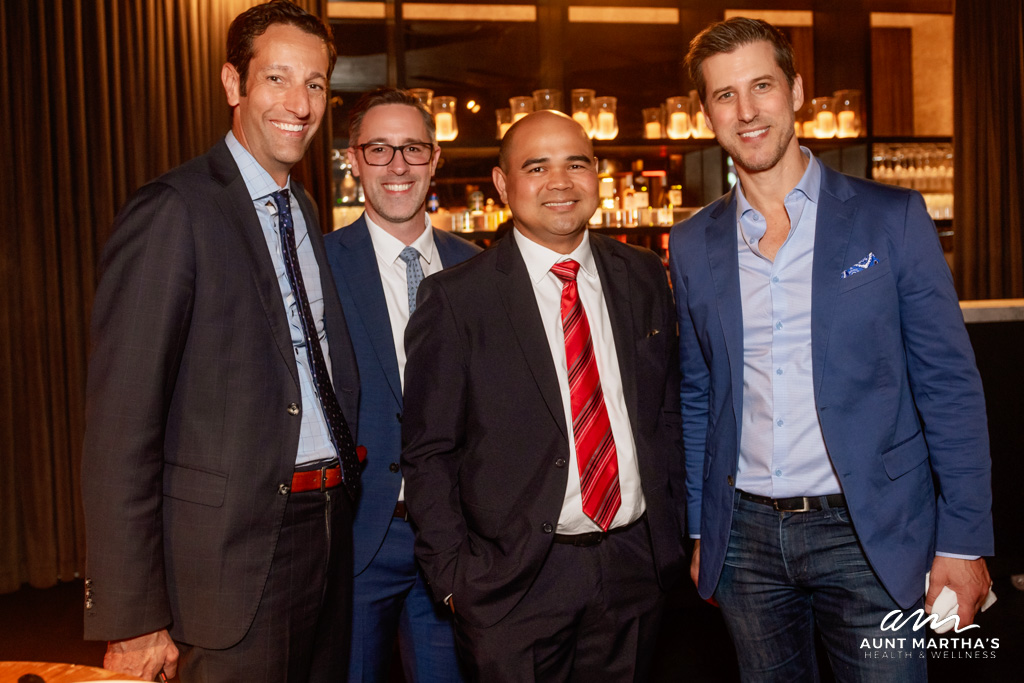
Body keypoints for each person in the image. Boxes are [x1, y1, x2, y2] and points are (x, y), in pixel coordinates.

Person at [669, 17, 993, 681]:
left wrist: (963, 538)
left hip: (872, 531)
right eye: (724, 95)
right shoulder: (693, 242)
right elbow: (701, 391)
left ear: (796, 90)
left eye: (761, 85)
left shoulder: (891, 218)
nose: (747, 110)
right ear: (706, 113)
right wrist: (706, 529)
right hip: (748, 541)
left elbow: (949, 386)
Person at [81, 2, 361, 680]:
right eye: (277, 79)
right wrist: (133, 614)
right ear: (233, 85)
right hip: (230, 561)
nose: (299, 102)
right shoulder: (174, 210)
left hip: (326, 530)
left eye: (316, 84)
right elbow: (121, 427)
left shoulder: (302, 208)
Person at [400, 110, 687, 681]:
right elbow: (429, 454)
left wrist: (672, 535)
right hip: (513, 584)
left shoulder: (643, 275)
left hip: (634, 567)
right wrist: (457, 583)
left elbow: (666, 411)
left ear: (598, 174)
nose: (560, 183)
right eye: (537, 167)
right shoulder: (457, 300)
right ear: (503, 184)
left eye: (575, 163)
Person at [324, 88, 480, 682]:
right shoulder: (320, 264)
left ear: (435, 159)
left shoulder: (478, 267)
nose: (397, 166)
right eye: (379, 149)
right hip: (360, 536)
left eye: (412, 148)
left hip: (456, 538)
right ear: (354, 159)